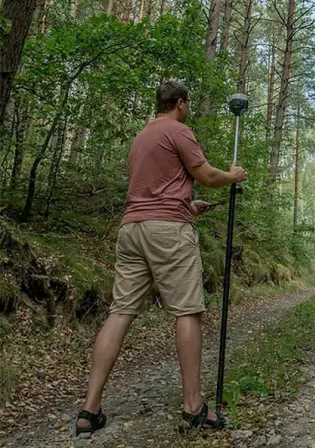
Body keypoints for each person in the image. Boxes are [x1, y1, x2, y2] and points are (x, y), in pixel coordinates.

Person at [75, 80, 246, 438]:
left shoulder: (140, 138)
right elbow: (207, 175)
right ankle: (193, 406)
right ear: (180, 103)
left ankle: (89, 410)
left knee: (120, 311)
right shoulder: (179, 131)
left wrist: (186, 204)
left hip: (132, 229)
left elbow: (152, 189)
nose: (188, 109)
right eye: (188, 104)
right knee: (187, 311)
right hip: (167, 233)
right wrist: (232, 176)